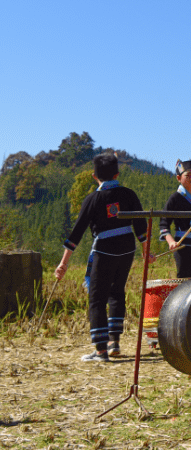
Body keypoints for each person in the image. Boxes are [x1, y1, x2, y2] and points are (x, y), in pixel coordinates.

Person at [55, 152, 151, 362]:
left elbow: (77, 232)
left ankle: (100, 351)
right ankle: (113, 341)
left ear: (94, 176)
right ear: (117, 173)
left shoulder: (92, 199)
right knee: (116, 292)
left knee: (97, 298)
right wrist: (146, 250)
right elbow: (141, 225)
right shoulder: (129, 194)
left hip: (105, 249)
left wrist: (64, 263)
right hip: (127, 249)